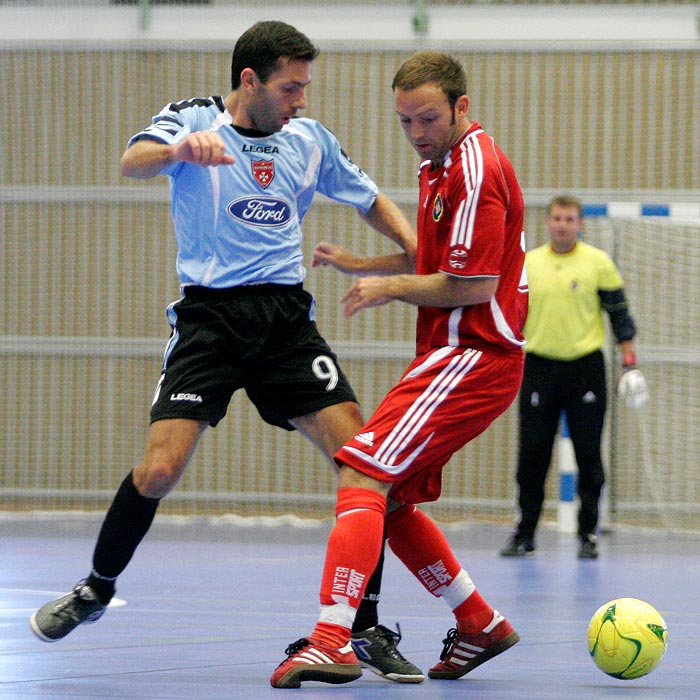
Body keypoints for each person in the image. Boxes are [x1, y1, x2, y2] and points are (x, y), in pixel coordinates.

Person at [29, 20, 425, 684]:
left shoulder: (309, 138)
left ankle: (364, 628)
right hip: (209, 320)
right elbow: (132, 162)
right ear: (250, 81)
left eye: (305, 86)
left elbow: (369, 198)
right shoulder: (193, 118)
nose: (300, 99)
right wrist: (181, 150)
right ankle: (96, 588)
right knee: (159, 470)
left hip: (283, 322)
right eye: (289, 87)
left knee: (364, 465)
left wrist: (416, 248)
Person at [271, 50, 528, 689]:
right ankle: (479, 622)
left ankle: (333, 639)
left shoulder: (475, 167)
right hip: (449, 355)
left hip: (473, 355)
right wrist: (367, 265)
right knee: (393, 499)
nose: (417, 133)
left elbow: (473, 286)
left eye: (429, 119)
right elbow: (430, 255)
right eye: (406, 121)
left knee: (361, 469)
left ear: (462, 108)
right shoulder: (437, 166)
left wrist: (389, 291)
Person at [500, 195, 648, 560]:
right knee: (532, 454)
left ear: (580, 224)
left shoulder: (598, 263)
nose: (562, 225)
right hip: (538, 367)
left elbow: (620, 317)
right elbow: (507, 314)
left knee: (588, 454)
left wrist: (630, 363)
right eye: (556, 218)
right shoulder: (528, 263)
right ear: (547, 222)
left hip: (585, 369)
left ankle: (588, 534)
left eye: (569, 219)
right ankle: (525, 533)